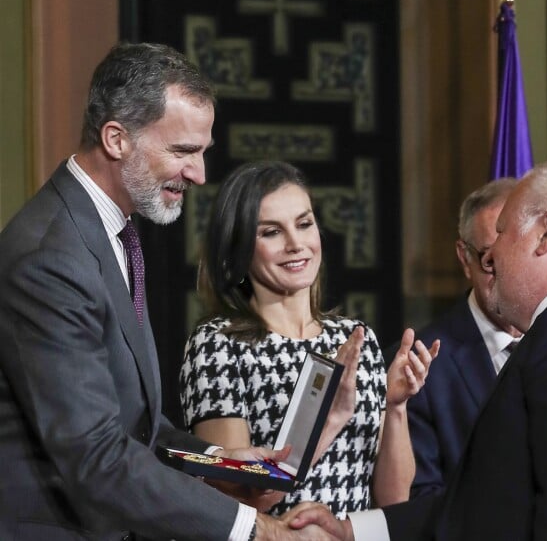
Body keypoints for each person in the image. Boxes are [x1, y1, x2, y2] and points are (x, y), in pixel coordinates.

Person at [0, 42, 342, 540]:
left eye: (202, 152)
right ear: (116, 139)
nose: (199, 174)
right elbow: (96, 457)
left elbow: (135, 424)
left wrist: (217, 461)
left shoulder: (112, 229)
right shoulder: (50, 258)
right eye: (182, 152)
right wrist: (255, 529)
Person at [286, 160, 547, 540]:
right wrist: (351, 530)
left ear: (545, 233)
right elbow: (484, 500)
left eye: (503, 233)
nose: (489, 259)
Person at [180, 160, 440, 519]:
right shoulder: (218, 345)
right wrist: (326, 419)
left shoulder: (354, 339)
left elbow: (393, 501)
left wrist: (395, 408)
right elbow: (237, 501)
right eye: (271, 232)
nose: (296, 243)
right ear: (239, 247)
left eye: (304, 224)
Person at [384, 178, 522, 498]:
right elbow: (418, 503)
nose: (507, 274)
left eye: (516, 255)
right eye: (489, 260)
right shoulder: (418, 368)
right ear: (464, 258)